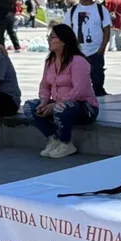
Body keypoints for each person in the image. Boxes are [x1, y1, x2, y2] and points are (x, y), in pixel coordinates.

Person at [27, 24, 98, 158]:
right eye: (48, 37)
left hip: (84, 107)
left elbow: (79, 90)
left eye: (52, 37)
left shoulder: (78, 61)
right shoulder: (50, 61)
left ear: (63, 41)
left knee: (60, 108)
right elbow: (44, 85)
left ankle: (66, 143)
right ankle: (53, 140)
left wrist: (54, 105)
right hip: (58, 103)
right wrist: (43, 102)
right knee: (29, 107)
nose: (48, 40)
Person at [68, 0, 112, 96]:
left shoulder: (101, 10)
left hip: (96, 53)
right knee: (77, 83)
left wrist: (102, 49)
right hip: (77, 53)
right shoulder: (72, 11)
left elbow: (107, 30)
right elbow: (66, 31)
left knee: (97, 82)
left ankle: (99, 103)